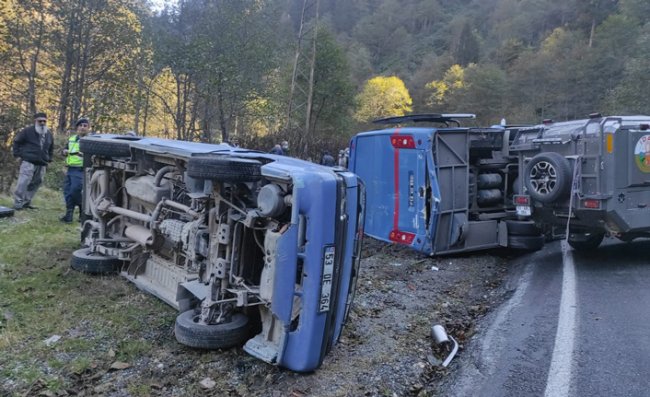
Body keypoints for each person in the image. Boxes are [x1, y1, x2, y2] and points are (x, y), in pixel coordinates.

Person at [12, 112, 54, 210]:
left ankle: (26, 202)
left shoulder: (49, 133)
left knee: (36, 182)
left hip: (42, 162)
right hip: (28, 161)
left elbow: (51, 147)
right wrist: (17, 155)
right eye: (40, 121)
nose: (42, 123)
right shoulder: (27, 131)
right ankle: (18, 203)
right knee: (23, 182)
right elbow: (16, 142)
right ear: (35, 121)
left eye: (44, 121)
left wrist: (49, 159)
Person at [59, 117, 90, 223]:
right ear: (77, 128)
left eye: (85, 126)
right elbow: (63, 150)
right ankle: (69, 216)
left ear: (88, 128)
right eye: (80, 126)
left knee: (75, 191)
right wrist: (64, 151)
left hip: (81, 170)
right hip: (70, 169)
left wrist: (84, 155)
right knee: (67, 192)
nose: (82, 128)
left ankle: (82, 212)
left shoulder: (90, 141)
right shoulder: (72, 139)